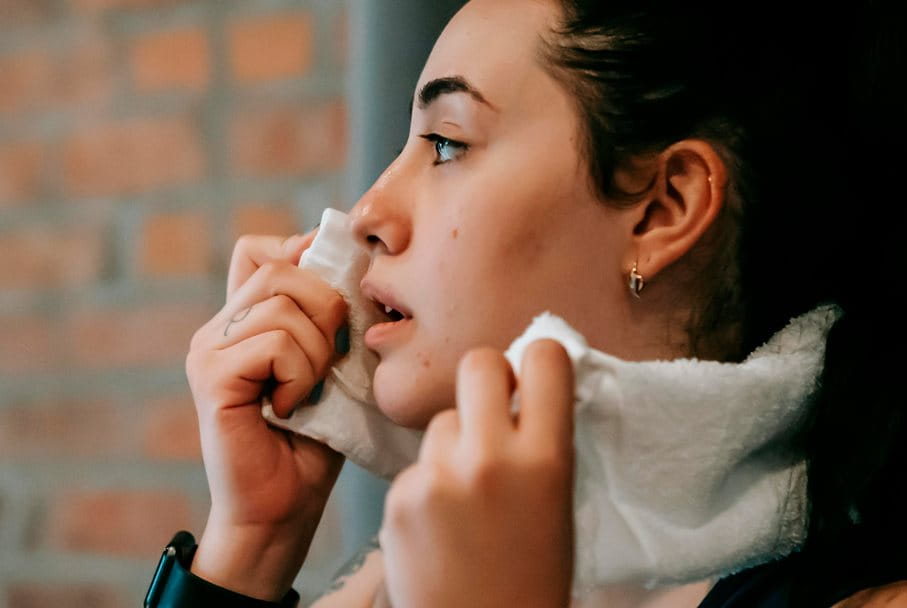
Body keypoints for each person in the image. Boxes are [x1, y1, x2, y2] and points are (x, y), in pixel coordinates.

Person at [150, 0, 907, 606]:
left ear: (663, 209)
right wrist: (253, 543)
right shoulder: (386, 577)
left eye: (446, 143)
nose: (367, 213)